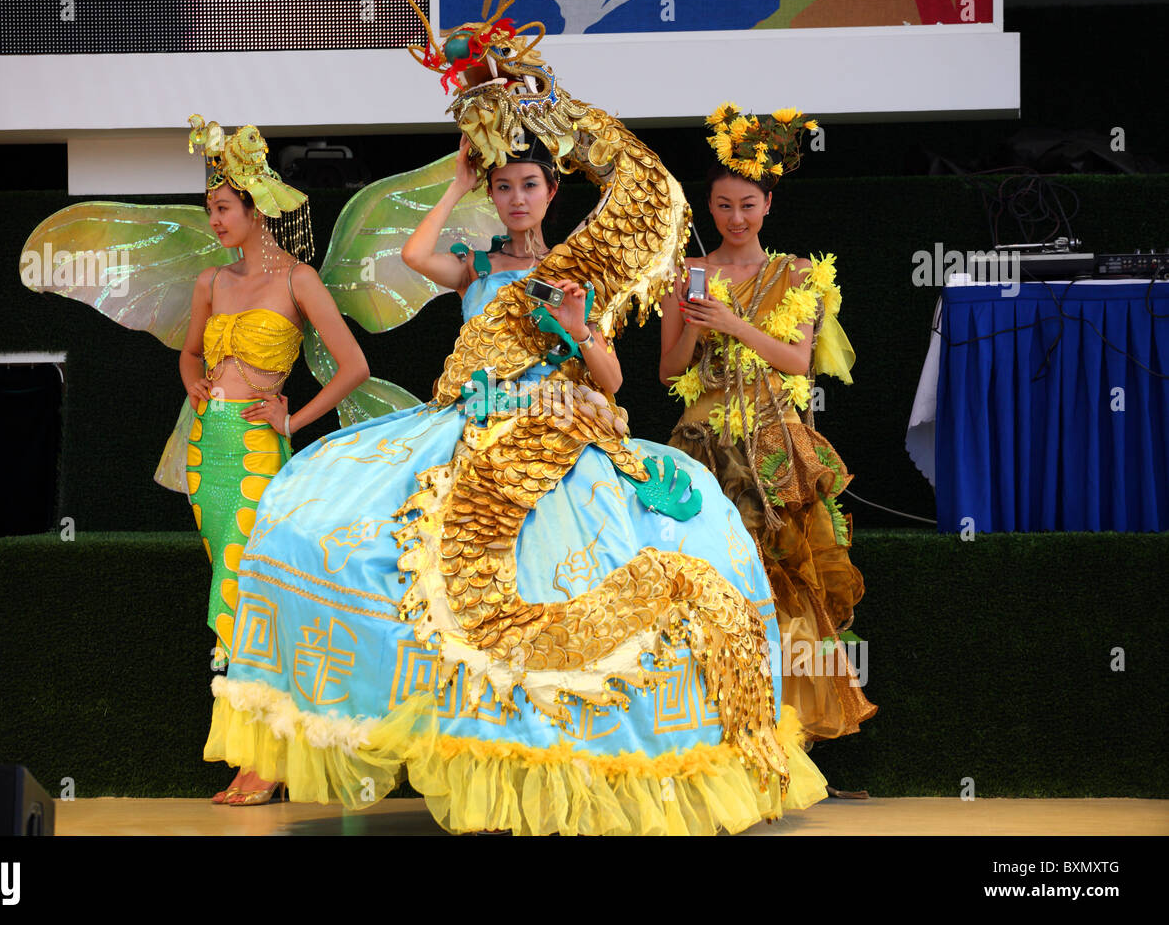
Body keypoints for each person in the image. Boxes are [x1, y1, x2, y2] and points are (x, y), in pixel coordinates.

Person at [201, 128, 829, 833]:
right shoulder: (475, 265)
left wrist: (577, 327)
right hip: (469, 431)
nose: (517, 198)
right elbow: (412, 256)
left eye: (529, 185)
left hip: (559, 432)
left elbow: (615, 381)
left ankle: (572, 760)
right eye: (504, 187)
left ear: (552, 193)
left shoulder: (576, 275)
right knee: (338, 537)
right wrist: (457, 185)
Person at [660, 103, 877, 746]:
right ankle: (714, 728)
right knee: (709, 576)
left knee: (782, 576)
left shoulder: (797, 274)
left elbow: (799, 364)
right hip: (703, 439)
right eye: (723, 206)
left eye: (747, 204)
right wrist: (695, 326)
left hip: (774, 441)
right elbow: (670, 373)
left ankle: (788, 733)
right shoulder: (688, 276)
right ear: (710, 208)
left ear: (767, 205)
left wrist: (732, 324)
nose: (734, 218)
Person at [182, 119, 370, 804]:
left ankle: (268, 758)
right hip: (211, 454)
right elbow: (188, 354)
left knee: (252, 594)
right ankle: (258, 753)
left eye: (223, 208)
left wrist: (292, 418)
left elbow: (353, 366)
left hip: (262, 451)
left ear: (256, 210)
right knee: (230, 597)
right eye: (210, 209)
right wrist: (194, 384)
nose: (215, 220)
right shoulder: (210, 281)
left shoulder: (298, 279)